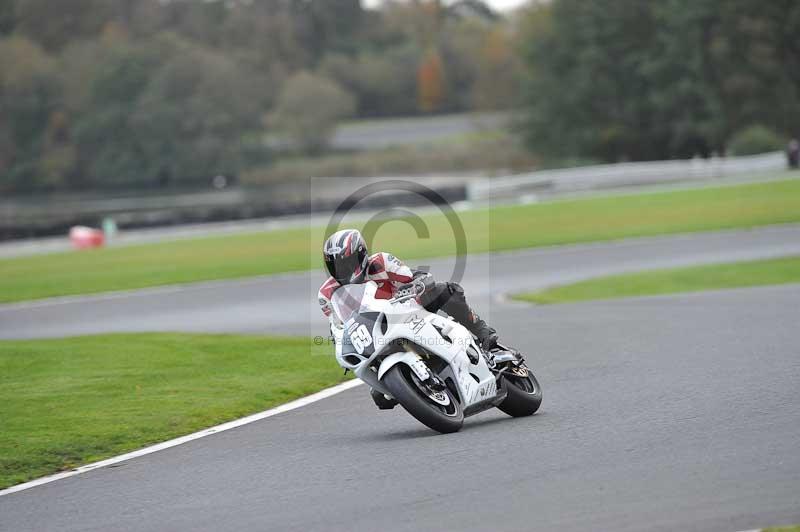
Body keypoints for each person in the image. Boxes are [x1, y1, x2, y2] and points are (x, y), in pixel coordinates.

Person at [318, 229, 506, 409]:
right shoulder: (326, 294)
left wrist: (416, 285)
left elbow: (415, 276)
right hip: (375, 331)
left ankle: (483, 333)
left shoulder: (381, 261)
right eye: (336, 265)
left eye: (347, 263)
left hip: (408, 310)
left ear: (361, 255)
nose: (342, 269)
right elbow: (337, 326)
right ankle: (408, 384)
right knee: (380, 396)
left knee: (446, 291)